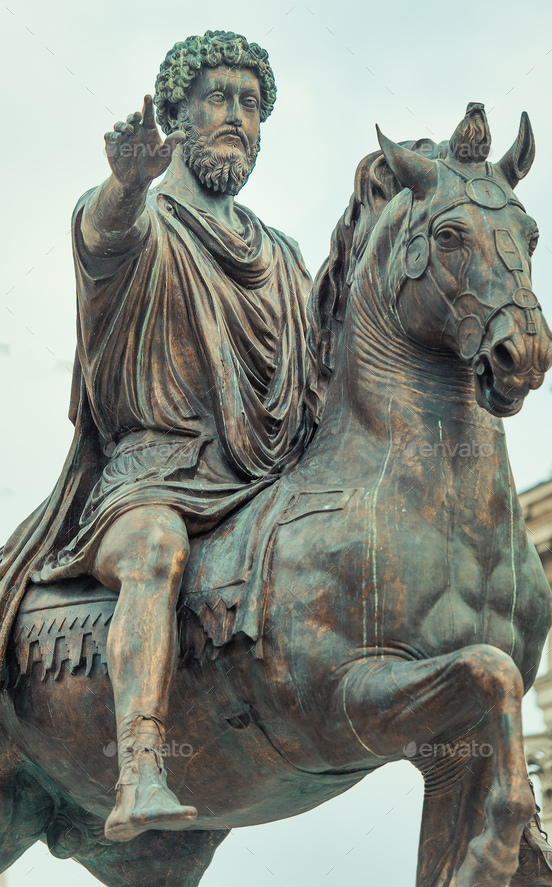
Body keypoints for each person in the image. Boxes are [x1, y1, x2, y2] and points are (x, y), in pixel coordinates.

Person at [0, 30, 313, 842]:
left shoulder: (280, 257)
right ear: (175, 111)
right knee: (155, 552)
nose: (238, 118)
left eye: (251, 104)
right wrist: (123, 184)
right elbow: (103, 238)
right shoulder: (141, 218)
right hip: (146, 478)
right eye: (219, 98)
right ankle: (139, 764)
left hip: (256, 483)